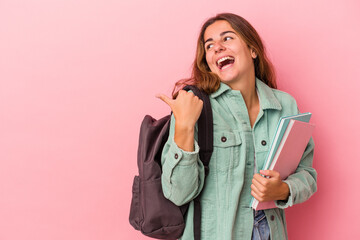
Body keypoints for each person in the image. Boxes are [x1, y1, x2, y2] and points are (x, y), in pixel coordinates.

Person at [156, 13, 317, 240]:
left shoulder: (285, 105)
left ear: (253, 50)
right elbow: (178, 194)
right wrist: (184, 125)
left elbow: (307, 174)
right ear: (208, 63)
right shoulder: (194, 105)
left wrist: (282, 190)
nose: (217, 48)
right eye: (209, 45)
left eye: (227, 38)